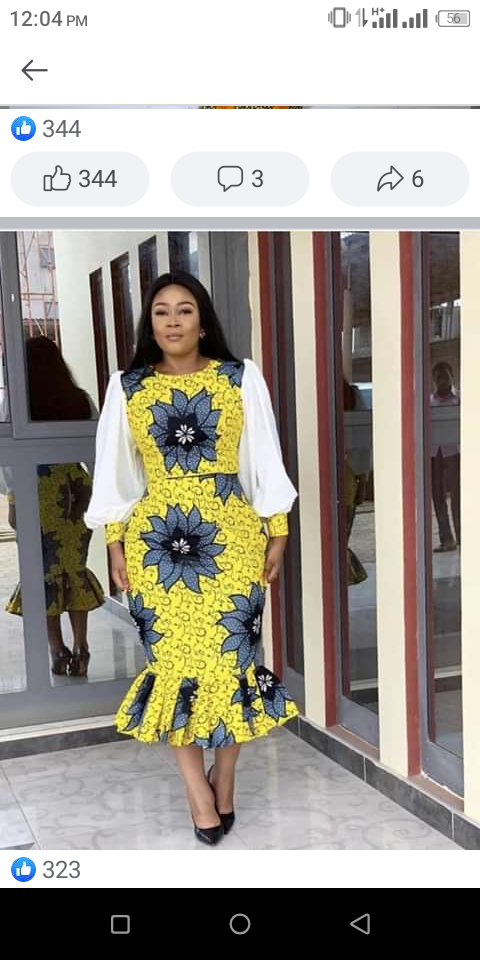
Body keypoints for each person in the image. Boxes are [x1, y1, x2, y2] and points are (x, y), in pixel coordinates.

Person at [84, 271, 299, 846]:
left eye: (185, 310)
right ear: (150, 324)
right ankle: (196, 791)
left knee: (233, 665)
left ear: (203, 321)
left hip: (233, 542)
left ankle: (224, 779)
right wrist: (114, 544)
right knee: (174, 667)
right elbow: (115, 474)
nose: (173, 321)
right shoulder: (127, 387)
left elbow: (265, 459)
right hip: (157, 548)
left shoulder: (239, 378)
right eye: (161, 312)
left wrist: (277, 531)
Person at [3, 336, 104, 677]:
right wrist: (96, 495)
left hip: (38, 491)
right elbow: (96, 449)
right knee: (74, 569)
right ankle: (81, 645)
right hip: (75, 492)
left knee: (43, 573)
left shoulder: (18, 404)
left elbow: (10, 457)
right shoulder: (79, 399)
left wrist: (14, 499)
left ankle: (57, 649)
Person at [430, 361, 460, 552]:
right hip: (434, 454)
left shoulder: (460, 399)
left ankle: (462, 537)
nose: (442, 380)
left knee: (458, 496)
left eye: (445, 376)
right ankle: (447, 539)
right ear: (434, 380)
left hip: (454, 453)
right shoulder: (428, 402)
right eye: (438, 376)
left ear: (451, 377)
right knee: (438, 497)